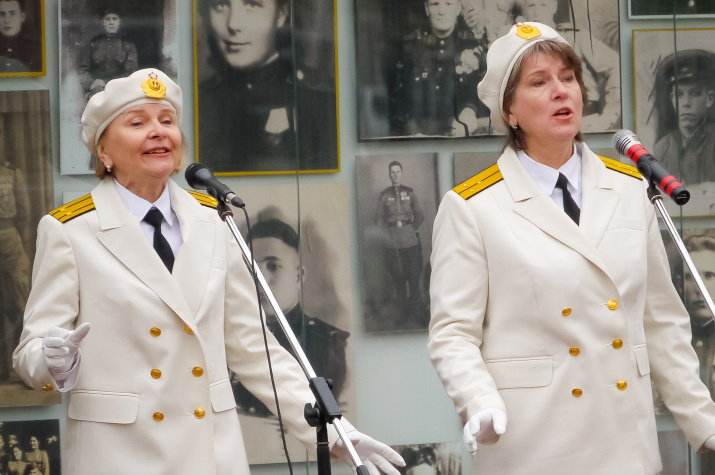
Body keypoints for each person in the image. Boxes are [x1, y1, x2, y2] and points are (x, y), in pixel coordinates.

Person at [12, 68, 404, 475]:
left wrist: (339, 434)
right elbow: (30, 355)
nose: (158, 131)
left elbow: (255, 349)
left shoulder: (215, 220)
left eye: (167, 120)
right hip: (119, 455)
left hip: (210, 453)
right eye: (138, 123)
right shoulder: (70, 229)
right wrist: (55, 360)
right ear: (104, 152)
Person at [428, 22, 715, 474]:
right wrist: (478, 399)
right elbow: (452, 334)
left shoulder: (629, 189)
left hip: (625, 442)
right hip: (534, 443)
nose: (561, 91)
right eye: (539, 82)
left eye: (568, 78)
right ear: (509, 110)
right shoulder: (473, 207)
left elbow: (661, 322)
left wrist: (705, 424)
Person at [196, 0, 338, 174]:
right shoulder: (200, 101)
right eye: (220, 5)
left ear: (281, 14)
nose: (233, 23)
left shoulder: (322, 98)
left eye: (251, 5)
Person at [232, 217, 350, 417]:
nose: (261, 279)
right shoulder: (234, 337)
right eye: (252, 268)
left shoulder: (327, 343)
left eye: (273, 266)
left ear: (298, 276)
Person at [390, 0, 489, 137]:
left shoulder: (473, 45)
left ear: (458, 8)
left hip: (462, 136)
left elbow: (485, 94)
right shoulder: (410, 48)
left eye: (448, 4)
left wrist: (470, 110)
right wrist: (411, 131)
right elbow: (398, 103)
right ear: (427, 8)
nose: (441, 12)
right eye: (435, 4)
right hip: (420, 136)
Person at [519, 0, 621, 132]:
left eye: (543, 5)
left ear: (553, 8)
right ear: (524, 11)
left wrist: (609, 115)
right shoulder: (518, 48)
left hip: (583, 123)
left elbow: (616, 66)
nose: (537, 12)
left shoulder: (577, 38)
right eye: (531, 6)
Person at [375, 161, 426, 327]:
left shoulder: (409, 192)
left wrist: (411, 228)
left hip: (410, 241)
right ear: (389, 174)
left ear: (401, 173)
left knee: (414, 278)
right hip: (393, 243)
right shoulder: (384, 195)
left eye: (398, 172)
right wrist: (385, 235)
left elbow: (420, 214)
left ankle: (416, 315)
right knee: (399, 280)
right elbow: (378, 219)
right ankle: (403, 316)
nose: (395, 175)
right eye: (392, 172)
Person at [653, 50, 715, 187]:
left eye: (696, 93)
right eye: (679, 94)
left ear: (709, 99)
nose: (686, 103)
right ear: (672, 99)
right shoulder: (662, 148)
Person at [0, 157, 31, 383]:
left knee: (21, 301)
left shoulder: (11, 173)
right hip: (9, 237)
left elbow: (24, 212)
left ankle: (24, 367)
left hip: (10, 241)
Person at [77, 6, 138, 101]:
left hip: (119, 93)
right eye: (107, 19)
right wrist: (92, 82)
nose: (111, 23)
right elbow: (82, 70)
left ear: (119, 22)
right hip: (95, 92)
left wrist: (106, 84)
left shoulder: (128, 45)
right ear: (103, 22)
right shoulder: (93, 44)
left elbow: (130, 73)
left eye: (114, 19)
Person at [0, 0, 41, 72]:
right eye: (2, 14)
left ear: (22, 17)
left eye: (12, 13)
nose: (7, 20)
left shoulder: (37, 48)